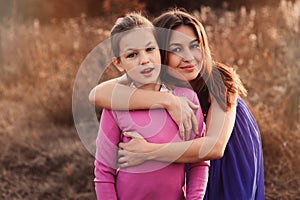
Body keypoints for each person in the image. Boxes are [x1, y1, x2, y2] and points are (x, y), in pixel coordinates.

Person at [90, 9, 265, 199]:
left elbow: (214, 147)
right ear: (162, 53)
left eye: (194, 46)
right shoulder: (153, 75)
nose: (189, 57)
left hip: (228, 154)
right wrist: (168, 100)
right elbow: (97, 94)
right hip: (180, 162)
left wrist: (149, 152)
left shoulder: (218, 81)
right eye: (177, 49)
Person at [94, 12, 209, 200]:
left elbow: (199, 163)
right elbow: (103, 173)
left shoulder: (187, 99)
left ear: (160, 50)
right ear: (118, 63)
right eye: (132, 55)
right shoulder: (115, 107)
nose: (144, 60)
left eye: (150, 49)